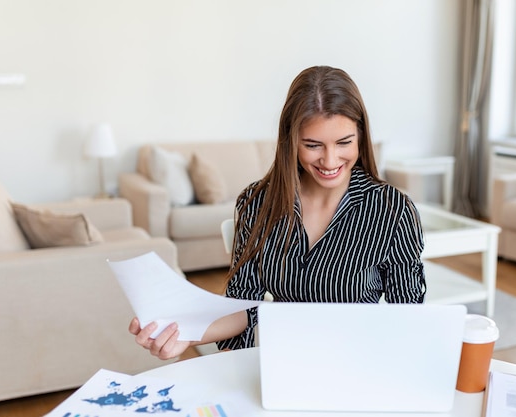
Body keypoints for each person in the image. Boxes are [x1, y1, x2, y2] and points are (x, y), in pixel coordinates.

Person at [130, 65, 426, 359]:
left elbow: (409, 317)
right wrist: (185, 331)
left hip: (358, 362)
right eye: (313, 145)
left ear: (361, 136)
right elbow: (243, 305)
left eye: (344, 143)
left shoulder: (392, 210)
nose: (330, 159)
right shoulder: (258, 203)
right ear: (291, 140)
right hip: (284, 363)